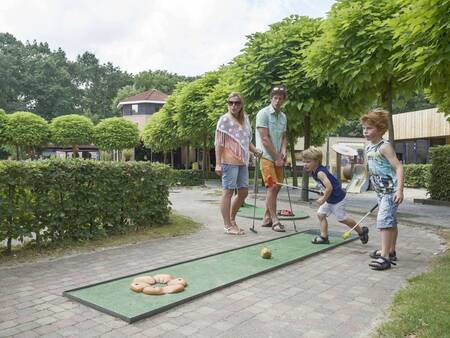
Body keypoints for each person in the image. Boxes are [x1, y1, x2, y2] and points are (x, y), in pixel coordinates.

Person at [361, 109, 404, 270]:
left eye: (370, 128)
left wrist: (399, 190)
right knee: (390, 221)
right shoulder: (369, 147)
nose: (365, 131)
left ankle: (384, 257)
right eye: (364, 128)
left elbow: (399, 167)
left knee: (384, 221)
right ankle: (390, 251)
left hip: (390, 192)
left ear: (380, 129)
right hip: (380, 192)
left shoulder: (384, 146)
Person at [215, 92, 262, 235]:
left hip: (243, 161)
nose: (233, 106)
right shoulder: (224, 120)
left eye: (237, 103)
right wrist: (218, 163)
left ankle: (232, 219)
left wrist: (255, 151)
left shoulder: (245, 119)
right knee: (228, 191)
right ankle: (228, 225)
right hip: (229, 161)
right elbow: (219, 143)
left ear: (242, 105)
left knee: (243, 192)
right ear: (227, 104)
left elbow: (246, 142)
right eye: (230, 103)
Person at [302, 147, 369, 245]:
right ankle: (324, 237)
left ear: (316, 161)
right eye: (304, 161)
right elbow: (326, 187)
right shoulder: (313, 171)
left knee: (342, 218)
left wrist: (322, 199)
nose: (305, 164)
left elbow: (329, 188)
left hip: (338, 199)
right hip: (330, 198)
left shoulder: (320, 172)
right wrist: (323, 192)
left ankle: (361, 231)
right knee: (321, 214)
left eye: (308, 161)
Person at [255, 86, 288, 232]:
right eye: (275, 97)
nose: (277, 100)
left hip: (278, 157)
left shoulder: (283, 117)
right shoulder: (263, 114)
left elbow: (284, 137)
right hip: (266, 157)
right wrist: (276, 157)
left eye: (280, 98)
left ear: (283, 100)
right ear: (270, 98)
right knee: (272, 186)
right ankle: (275, 221)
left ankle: (266, 217)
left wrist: (283, 152)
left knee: (278, 186)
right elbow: (264, 139)